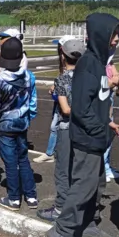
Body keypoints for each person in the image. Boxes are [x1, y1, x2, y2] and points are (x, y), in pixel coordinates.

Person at [46, 13, 119, 237]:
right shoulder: (88, 64)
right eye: (114, 34)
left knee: (98, 184)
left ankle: (87, 223)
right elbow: (80, 108)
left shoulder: (99, 63)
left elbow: (96, 101)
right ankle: (62, 230)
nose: (117, 39)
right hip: (88, 137)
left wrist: (107, 122)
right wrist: (97, 128)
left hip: (98, 135)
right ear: (102, 35)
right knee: (84, 184)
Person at [37, 39, 85, 221]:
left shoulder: (62, 78)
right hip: (86, 128)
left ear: (63, 56)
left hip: (67, 127)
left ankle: (60, 208)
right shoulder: (89, 77)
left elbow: (65, 110)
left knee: (63, 170)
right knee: (80, 168)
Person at [0, 37, 38, 210]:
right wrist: (28, 118)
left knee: (10, 162)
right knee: (23, 159)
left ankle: (14, 198)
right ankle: (31, 196)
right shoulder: (29, 77)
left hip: (4, 125)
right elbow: (33, 102)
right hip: (22, 122)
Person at [33, 35, 77, 163]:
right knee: (56, 126)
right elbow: (63, 78)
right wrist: (55, 86)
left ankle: (52, 153)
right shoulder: (64, 61)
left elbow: (67, 80)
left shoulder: (73, 61)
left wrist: (59, 86)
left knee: (59, 126)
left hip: (69, 100)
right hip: (63, 97)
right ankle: (52, 152)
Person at [0, 28, 30, 155]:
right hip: (0, 86)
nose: (1, 41)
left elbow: (22, 73)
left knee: (12, 112)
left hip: (14, 89)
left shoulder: (22, 56)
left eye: (4, 38)